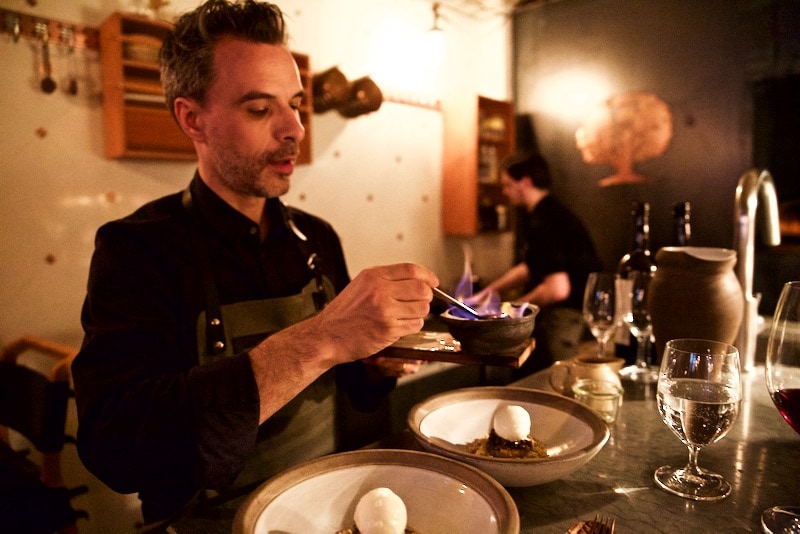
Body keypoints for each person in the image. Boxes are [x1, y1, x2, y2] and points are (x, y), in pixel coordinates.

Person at [71, 0, 437, 526]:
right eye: (261, 109)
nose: (294, 129)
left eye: (295, 104)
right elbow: (115, 447)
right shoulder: (138, 249)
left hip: (328, 509)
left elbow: (349, 392)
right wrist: (320, 339)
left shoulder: (316, 237)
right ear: (192, 118)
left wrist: (374, 363)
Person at [473, 152, 602, 374]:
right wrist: (487, 292)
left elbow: (557, 289)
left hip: (566, 315)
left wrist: (511, 311)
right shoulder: (546, 212)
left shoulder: (544, 221)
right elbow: (531, 267)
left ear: (525, 182)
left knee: (556, 381)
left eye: (507, 184)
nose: (504, 192)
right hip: (567, 312)